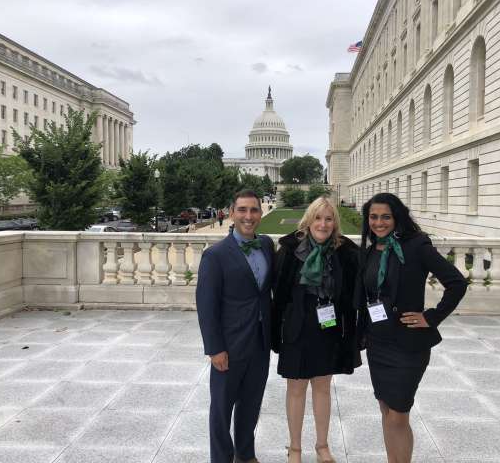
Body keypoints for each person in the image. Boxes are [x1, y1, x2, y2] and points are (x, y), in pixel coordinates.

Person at [355, 193, 468, 463]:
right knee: (385, 408)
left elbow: (456, 283)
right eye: (373, 217)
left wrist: (431, 316)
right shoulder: (370, 250)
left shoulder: (416, 246)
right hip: (378, 342)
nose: (379, 223)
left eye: (386, 217)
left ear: (397, 218)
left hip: (407, 345)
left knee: (398, 413)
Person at [272, 196, 360, 463]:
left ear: (335, 224)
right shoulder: (290, 250)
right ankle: (295, 449)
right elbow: (278, 293)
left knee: (323, 388)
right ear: (308, 220)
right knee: (296, 389)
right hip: (297, 327)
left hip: (328, 327)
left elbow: (355, 292)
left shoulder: (345, 252)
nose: (323, 224)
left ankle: (322, 446)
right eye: (318, 218)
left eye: (329, 218)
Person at [197, 189, 275, 463]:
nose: (248, 216)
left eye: (254, 210)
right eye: (242, 210)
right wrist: (215, 348)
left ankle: (245, 453)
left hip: (260, 341)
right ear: (231, 213)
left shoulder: (266, 245)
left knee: (251, 404)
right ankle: (221, 458)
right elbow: (206, 307)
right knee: (221, 408)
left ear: (261, 213)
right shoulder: (215, 255)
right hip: (229, 345)